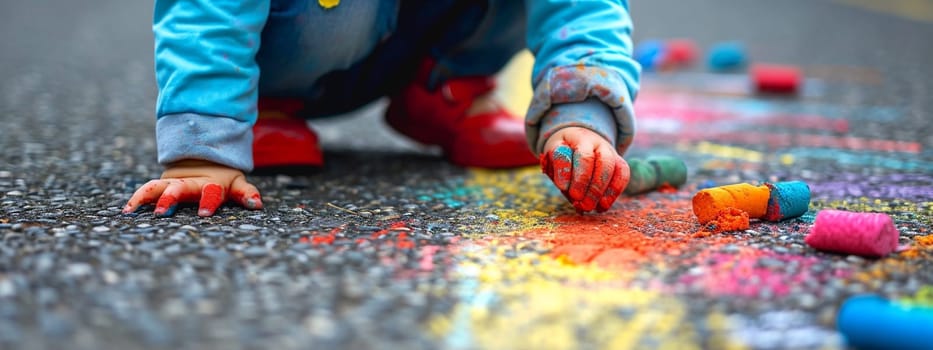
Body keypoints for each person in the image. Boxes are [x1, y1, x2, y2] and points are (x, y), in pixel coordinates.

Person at [122, 0, 640, 217]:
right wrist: (203, 145)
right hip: (297, 50)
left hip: (412, 37)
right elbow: (207, 12)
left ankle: (447, 88)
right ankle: (262, 109)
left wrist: (581, 114)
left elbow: (584, 8)